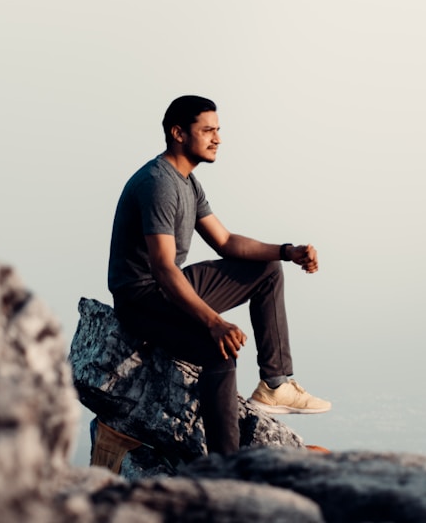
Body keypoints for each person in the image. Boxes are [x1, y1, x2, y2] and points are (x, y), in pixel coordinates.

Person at [108, 95, 330, 456]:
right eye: (208, 130)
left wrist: (286, 252)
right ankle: (227, 465)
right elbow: (163, 269)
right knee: (218, 350)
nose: (217, 138)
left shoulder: (188, 183)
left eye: (218, 130)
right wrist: (213, 322)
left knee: (267, 271)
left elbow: (225, 242)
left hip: (166, 287)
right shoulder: (158, 183)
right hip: (142, 300)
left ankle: (275, 383)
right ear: (178, 133)